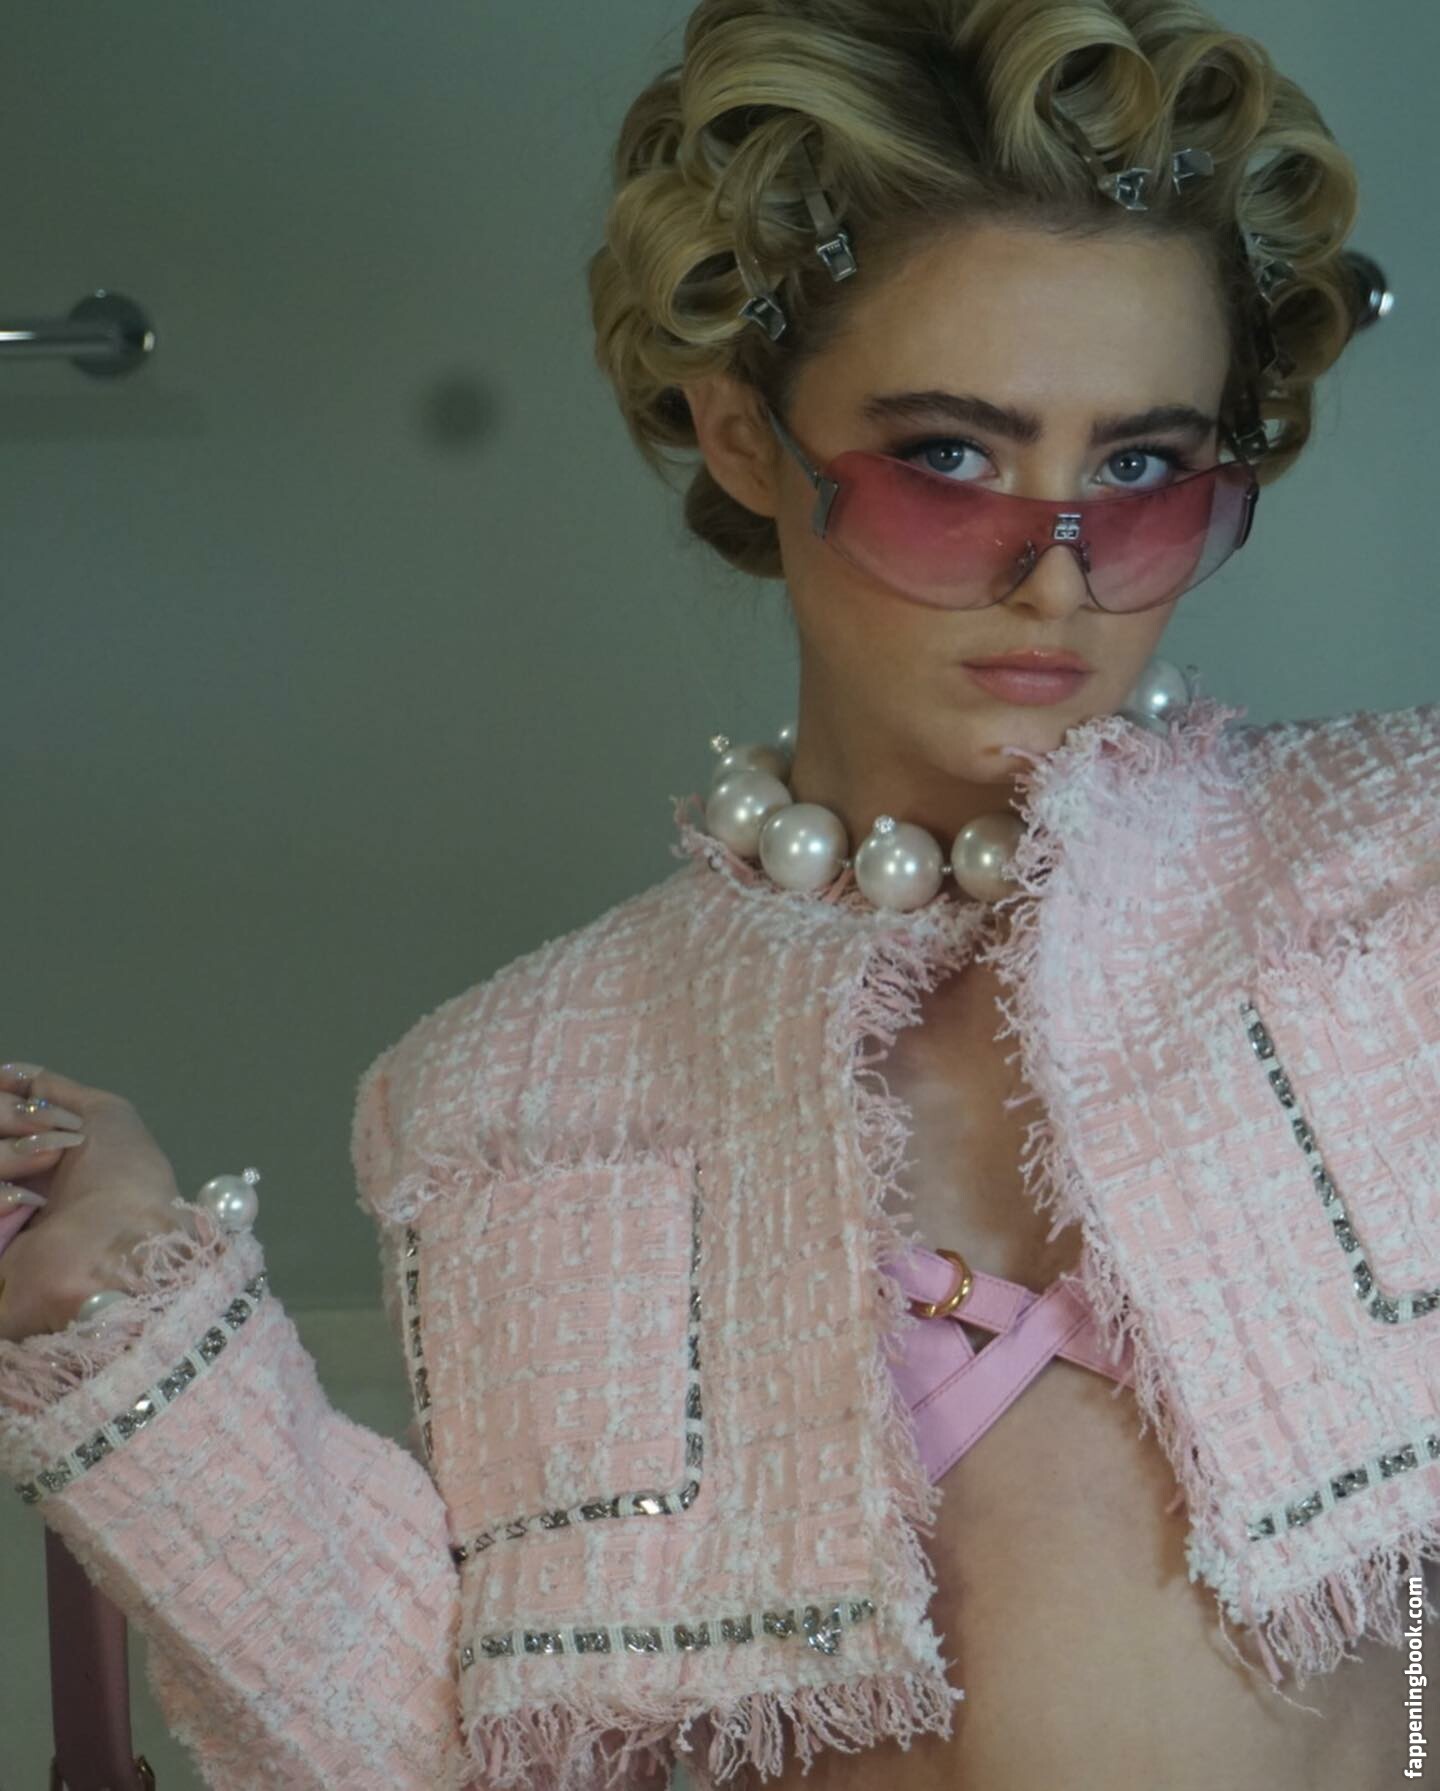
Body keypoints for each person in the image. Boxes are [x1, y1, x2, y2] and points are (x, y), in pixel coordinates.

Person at [0, 2, 1434, 1788]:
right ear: (746, 438)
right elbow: (460, 1757)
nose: (1056, 575)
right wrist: (113, 1306)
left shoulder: (1387, 884)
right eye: (951, 457)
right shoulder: (519, 1088)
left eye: (1141, 467)